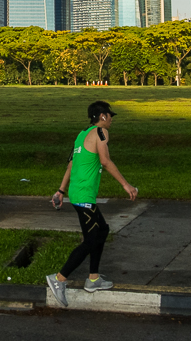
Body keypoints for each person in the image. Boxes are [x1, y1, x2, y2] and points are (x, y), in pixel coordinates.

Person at [46, 100, 138, 308]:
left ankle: (94, 279)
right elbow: (105, 161)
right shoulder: (100, 133)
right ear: (103, 116)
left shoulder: (81, 134)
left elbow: (71, 163)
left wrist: (61, 191)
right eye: (110, 115)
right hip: (84, 195)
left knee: (102, 230)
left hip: (78, 193)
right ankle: (59, 279)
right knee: (91, 239)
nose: (112, 119)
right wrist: (126, 185)